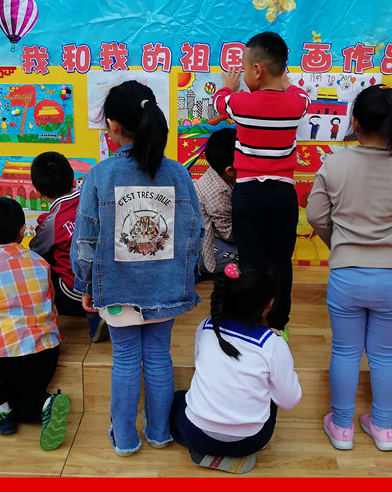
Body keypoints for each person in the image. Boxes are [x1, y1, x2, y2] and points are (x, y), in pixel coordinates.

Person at [71, 80, 203, 457]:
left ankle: (126, 438)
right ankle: (160, 433)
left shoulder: (100, 175)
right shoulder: (179, 174)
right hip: (166, 288)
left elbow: (85, 241)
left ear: (113, 126)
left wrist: (85, 285)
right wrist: (183, 276)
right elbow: (195, 234)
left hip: (117, 290)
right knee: (159, 356)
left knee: (126, 359)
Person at [307, 85, 392, 452]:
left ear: (355, 121)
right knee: (384, 353)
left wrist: (340, 244)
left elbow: (316, 216)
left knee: (345, 351)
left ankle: (342, 427)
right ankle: (383, 428)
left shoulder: (334, 164)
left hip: (346, 275)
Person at [212, 31, 309, 332]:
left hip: (248, 194)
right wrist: (285, 81)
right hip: (283, 195)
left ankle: (252, 321)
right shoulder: (297, 104)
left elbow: (219, 102)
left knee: (251, 262)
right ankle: (279, 324)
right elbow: (301, 95)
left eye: (244, 68)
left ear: (257, 70)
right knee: (281, 262)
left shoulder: (239, 103)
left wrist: (228, 87)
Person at [170, 266, 302, 474]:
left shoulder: (206, 327)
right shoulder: (273, 344)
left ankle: (205, 452)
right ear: (269, 305)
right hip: (251, 441)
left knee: (177, 399)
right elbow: (288, 401)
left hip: (197, 435)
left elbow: (199, 364)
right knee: (273, 393)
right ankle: (231, 455)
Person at [0, 197, 70, 450]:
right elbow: (51, 306)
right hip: (47, 352)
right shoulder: (41, 262)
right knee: (22, 396)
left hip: (5, 360)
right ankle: (45, 404)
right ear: (24, 229)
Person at [29, 151, 108, 342]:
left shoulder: (51, 220)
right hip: (110, 281)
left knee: (41, 265)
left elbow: (35, 252)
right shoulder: (95, 200)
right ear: (74, 181)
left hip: (75, 292)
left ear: (37, 193)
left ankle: (91, 316)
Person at [195, 128, 238, 276]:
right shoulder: (219, 193)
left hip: (217, 237)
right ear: (230, 171)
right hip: (207, 248)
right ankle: (202, 269)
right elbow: (229, 234)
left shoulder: (218, 171)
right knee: (255, 259)